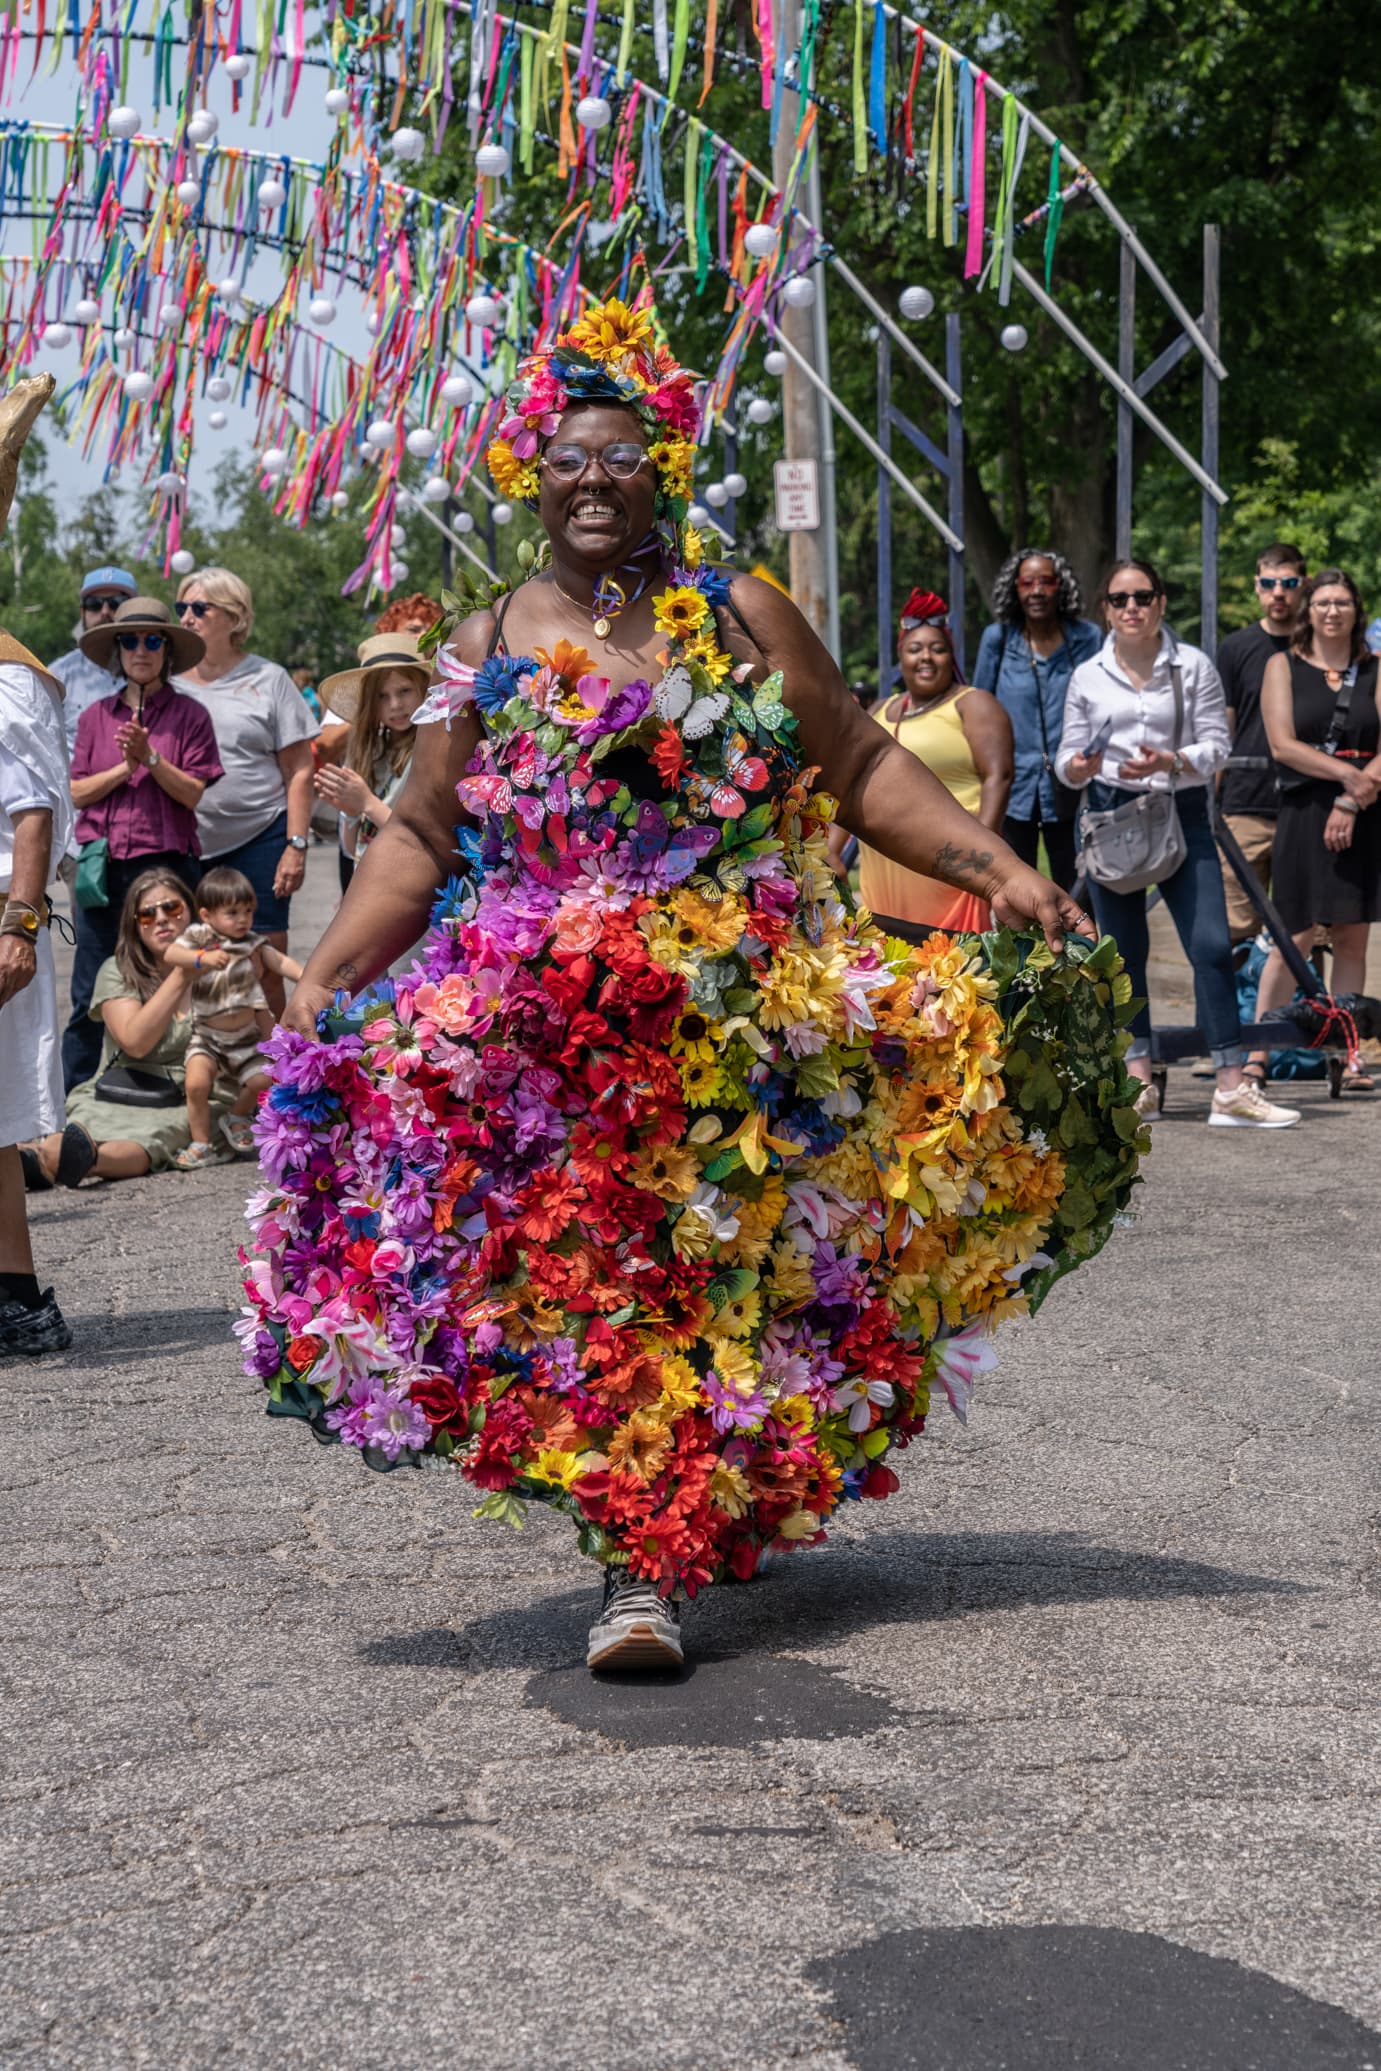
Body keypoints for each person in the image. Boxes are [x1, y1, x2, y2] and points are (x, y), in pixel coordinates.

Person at [239, 297, 1139, 1679]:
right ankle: (639, 1560)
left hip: (735, 1026)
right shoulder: (485, 639)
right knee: (595, 1290)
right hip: (554, 1051)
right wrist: (328, 967)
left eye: (619, 456)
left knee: (739, 1283)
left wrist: (993, 863)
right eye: (567, 458)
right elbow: (422, 832)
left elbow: (854, 763)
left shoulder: (735, 610)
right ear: (531, 478)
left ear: (659, 467)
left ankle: (693, 1509)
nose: (591, 479)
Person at [1058, 556, 1298, 1129]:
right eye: (1120, 600)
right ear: (1106, 610)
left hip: (1181, 809)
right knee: (1124, 954)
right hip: (1113, 817)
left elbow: (1219, 743)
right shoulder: (1088, 675)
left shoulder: (1191, 666)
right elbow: (1066, 764)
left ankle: (1231, 1087)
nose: (1132, 607)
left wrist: (1175, 759)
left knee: (1212, 946)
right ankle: (1139, 1083)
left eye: (1143, 596)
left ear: (1161, 603)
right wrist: (1081, 764)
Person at [62, 597, 223, 1092]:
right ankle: (76, 1102)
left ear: (167, 651)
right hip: (103, 869)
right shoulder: (94, 717)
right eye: (129, 640)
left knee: (183, 979)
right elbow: (76, 791)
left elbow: (193, 793)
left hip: (169, 865)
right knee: (90, 985)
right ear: (117, 649)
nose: (140, 649)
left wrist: (150, 757)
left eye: (153, 640)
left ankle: (192, 1093)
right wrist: (124, 768)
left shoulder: (191, 715)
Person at [0, 371, 74, 1353]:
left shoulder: (10, 674)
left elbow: (31, 808)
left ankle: (18, 1298)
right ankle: (16, 1297)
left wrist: (18, 923)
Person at [1255, 568, 1381, 1093]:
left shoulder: (1376, 668)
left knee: (1353, 937)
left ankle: (1350, 1053)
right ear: (1308, 611)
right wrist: (1345, 776)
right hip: (1305, 810)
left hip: (1366, 809)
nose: (1333, 611)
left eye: (1343, 602)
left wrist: (1353, 797)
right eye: (1323, 602)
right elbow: (1283, 744)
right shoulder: (1281, 665)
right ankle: (1256, 1051)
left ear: (1357, 610)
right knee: (1295, 936)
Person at [22, 872, 231, 1187]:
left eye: (171, 908)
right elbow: (135, 1042)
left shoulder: (225, 967)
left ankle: (67, 1161)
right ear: (135, 926)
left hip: (193, 1096)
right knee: (74, 1130)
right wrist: (183, 973)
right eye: (147, 914)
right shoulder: (117, 970)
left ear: (191, 912)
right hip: (120, 1087)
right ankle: (35, 1158)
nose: (161, 919)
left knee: (154, 1138)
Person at [172, 567, 317, 1018]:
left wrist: (296, 845)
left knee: (265, 960)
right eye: (182, 608)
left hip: (261, 836)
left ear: (234, 617)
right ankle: (201, 1068)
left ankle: (279, 1066)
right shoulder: (169, 681)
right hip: (186, 841)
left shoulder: (270, 679)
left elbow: (299, 769)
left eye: (200, 608)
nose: (187, 618)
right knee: (189, 960)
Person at [832, 589, 1013, 934]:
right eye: (915, 649)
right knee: (894, 975)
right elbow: (853, 782)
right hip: (885, 872)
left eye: (938, 648)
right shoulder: (880, 709)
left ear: (951, 656)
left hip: (954, 867)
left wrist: (984, 860)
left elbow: (998, 777)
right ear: (901, 657)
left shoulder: (973, 704)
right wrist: (833, 850)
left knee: (955, 973)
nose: (926, 657)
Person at [971, 548, 1102, 893]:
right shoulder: (998, 641)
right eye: (1027, 582)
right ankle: (1026, 949)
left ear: (1061, 586)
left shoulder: (1086, 638)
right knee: (1016, 884)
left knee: (1077, 882)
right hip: (1014, 784)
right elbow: (977, 708)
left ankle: (1077, 946)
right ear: (1015, 589)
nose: (1037, 591)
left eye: (1046, 581)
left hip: (1072, 781)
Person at [162, 866, 303, 1167]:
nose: (242, 919)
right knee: (196, 1083)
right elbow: (172, 954)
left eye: (248, 911)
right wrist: (201, 958)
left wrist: (308, 978)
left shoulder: (251, 942)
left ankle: (237, 1114)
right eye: (233, 912)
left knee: (264, 1080)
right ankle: (201, 1143)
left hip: (247, 1038)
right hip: (208, 1037)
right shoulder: (200, 937)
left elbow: (280, 962)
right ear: (207, 915)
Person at [1216, 544, 1306, 944]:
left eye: (1288, 583)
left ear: (1302, 585)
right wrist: (1213, 807)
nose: (1278, 592)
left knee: (1306, 933)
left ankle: (1310, 1008)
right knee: (1236, 929)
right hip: (1244, 805)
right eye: (1269, 583)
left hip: (1305, 805)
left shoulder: (1319, 647)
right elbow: (1222, 732)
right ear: (1257, 586)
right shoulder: (1236, 648)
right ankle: (1241, 1009)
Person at [311, 634, 428, 879]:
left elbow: (420, 840)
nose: (395, 704)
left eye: (404, 691)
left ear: (424, 689)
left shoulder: (429, 751)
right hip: (370, 879)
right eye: (382, 696)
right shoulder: (371, 752)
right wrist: (350, 810)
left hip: (411, 882)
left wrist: (367, 803)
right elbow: (352, 848)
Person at [46, 563, 137, 760]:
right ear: (82, 612)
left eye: (116, 603)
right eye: (94, 604)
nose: (105, 611)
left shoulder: (157, 672)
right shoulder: (57, 675)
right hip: (75, 788)